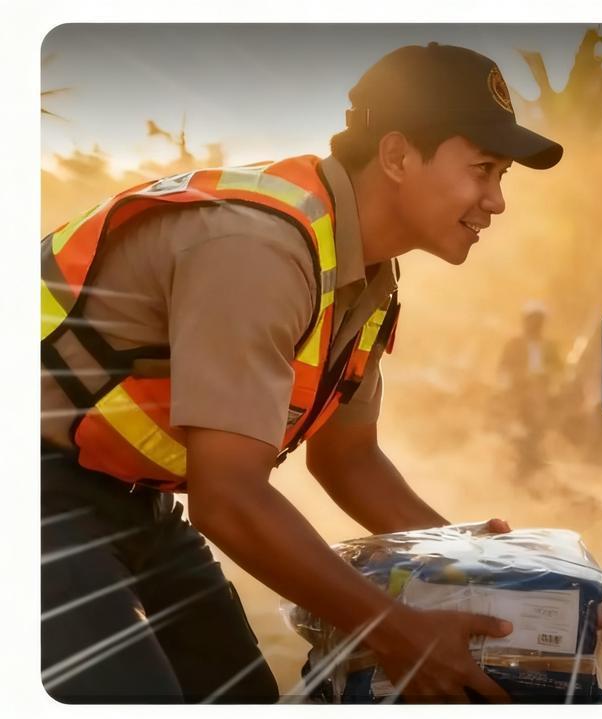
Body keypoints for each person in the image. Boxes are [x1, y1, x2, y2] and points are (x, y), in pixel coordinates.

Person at [40, 43, 563, 703]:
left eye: (503, 176)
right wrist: (399, 629)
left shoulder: (369, 277)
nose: (497, 201)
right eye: (483, 169)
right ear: (398, 156)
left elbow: (348, 460)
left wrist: (479, 561)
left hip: (133, 498)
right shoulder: (259, 249)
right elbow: (228, 498)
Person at [497, 301, 563, 475]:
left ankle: (530, 463)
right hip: (518, 391)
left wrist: (548, 377)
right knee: (518, 427)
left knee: (537, 427)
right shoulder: (514, 343)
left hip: (541, 392)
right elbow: (503, 367)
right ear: (525, 321)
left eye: (539, 320)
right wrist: (513, 382)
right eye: (532, 320)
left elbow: (559, 368)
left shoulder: (549, 346)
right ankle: (516, 462)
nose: (536, 324)